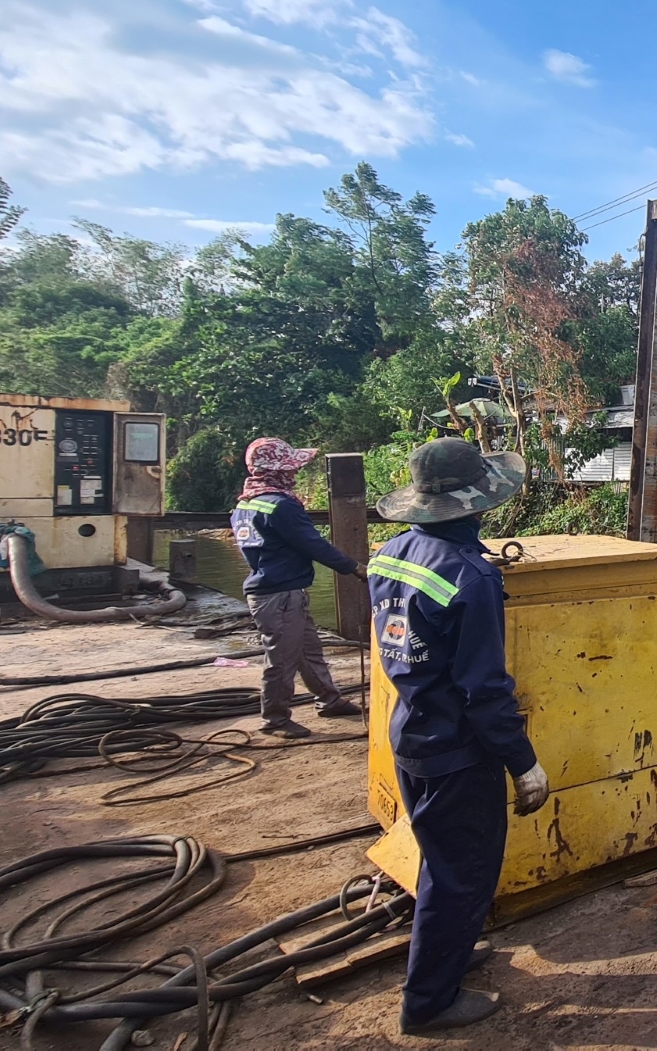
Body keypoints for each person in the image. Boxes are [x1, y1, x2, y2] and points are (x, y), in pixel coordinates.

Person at [369, 437, 551, 1034]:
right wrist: (523, 762)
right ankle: (429, 1003)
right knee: (464, 873)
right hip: (457, 753)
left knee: (440, 861)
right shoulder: (471, 578)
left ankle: (446, 950)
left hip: (412, 733)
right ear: (476, 502)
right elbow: (484, 692)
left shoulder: (390, 553)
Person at [231, 438, 364, 740]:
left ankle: (329, 699)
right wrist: (355, 568)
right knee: (281, 659)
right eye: (291, 468)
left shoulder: (245, 504)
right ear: (278, 470)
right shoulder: (281, 506)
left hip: (273, 591)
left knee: (307, 650)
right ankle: (275, 719)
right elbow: (313, 544)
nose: (295, 474)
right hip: (280, 595)